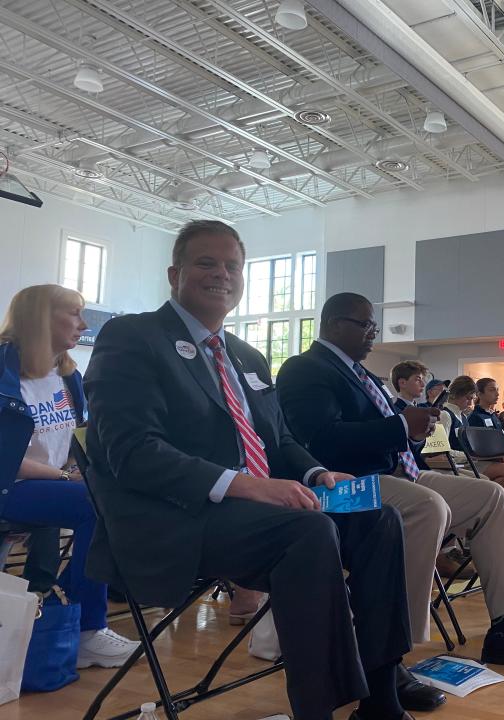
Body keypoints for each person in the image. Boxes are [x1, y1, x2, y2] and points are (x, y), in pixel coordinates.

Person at [84, 221, 413, 720]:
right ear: (175, 273)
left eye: (232, 266)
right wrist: (247, 486)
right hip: (175, 517)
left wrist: (318, 474)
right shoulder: (132, 337)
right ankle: (316, 709)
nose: (221, 274)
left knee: (378, 517)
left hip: (252, 512)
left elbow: (277, 440)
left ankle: (382, 693)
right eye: (206, 263)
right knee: (307, 532)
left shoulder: (246, 355)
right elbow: (131, 452)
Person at [276, 293, 504, 680]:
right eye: (364, 325)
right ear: (333, 324)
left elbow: (392, 434)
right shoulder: (304, 368)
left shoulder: (362, 376)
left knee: (491, 495)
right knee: (426, 506)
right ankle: (388, 652)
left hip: (396, 475)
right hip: (344, 484)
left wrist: (415, 430)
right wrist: (400, 427)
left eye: (374, 327)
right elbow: (319, 439)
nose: (372, 334)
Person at [0, 284, 140, 669]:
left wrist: (81, 469)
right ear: (41, 319)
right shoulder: (3, 370)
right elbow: (6, 458)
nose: (83, 323)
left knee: (107, 497)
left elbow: (79, 437)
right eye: (74, 313)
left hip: (50, 482)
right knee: (95, 503)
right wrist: (66, 478)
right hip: (12, 484)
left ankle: (67, 611)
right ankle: (88, 628)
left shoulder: (68, 375)